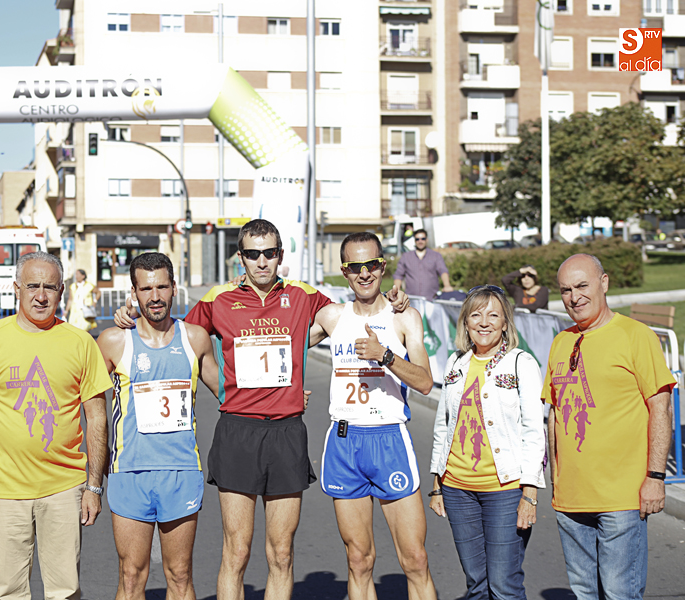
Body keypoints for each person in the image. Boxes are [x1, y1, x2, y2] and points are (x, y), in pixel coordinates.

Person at [115, 219, 340, 600]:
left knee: (282, 553)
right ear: (241, 258)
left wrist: (393, 307)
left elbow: (349, 321)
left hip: (286, 432)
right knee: (236, 551)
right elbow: (173, 338)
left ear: (280, 255)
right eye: (253, 254)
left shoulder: (303, 295)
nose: (262, 262)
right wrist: (129, 317)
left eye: (269, 253)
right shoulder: (219, 299)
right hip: (238, 431)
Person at [0, 251, 112, 600]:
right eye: (32, 286)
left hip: (65, 489)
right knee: (8, 591)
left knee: (65, 591)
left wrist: (94, 487)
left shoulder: (80, 343)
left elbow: (97, 417)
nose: (41, 296)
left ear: (62, 291)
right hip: (4, 491)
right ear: (16, 288)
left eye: (50, 287)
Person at [308, 232, 437, 600]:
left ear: (383, 266)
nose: (364, 274)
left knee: (415, 559)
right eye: (355, 267)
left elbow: (426, 382)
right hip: (346, 441)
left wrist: (385, 356)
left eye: (372, 265)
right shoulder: (333, 317)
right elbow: (283, 340)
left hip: (389, 439)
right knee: (359, 559)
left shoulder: (404, 317)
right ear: (344, 272)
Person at [542, 254, 675, 600]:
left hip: (622, 497)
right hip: (570, 498)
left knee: (620, 593)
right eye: (566, 290)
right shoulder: (561, 342)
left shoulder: (636, 336)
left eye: (582, 286)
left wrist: (655, 478)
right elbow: (554, 416)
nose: (574, 297)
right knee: (585, 593)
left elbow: (661, 408)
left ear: (604, 283)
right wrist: (555, 480)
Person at [97, 252, 222, 600]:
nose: (155, 296)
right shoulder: (113, 341)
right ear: (134, 293)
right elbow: (82, 400)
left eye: (162, 287)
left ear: (174, 289)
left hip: (181, 471)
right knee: (131, 575)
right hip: (129, 472)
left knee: (180, 575)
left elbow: (229, 393)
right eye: (146, 288)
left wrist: (288, 393)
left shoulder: (195, 338)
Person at [428, 285, 545, 600]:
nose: (484, 322)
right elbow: (444, 423)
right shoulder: (456, 362)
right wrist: (437, 484)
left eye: (493, 315)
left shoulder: (521, 363)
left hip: (504, 491)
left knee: (504, 586)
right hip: (457, 489)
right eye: (475, 315)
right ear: (465, 322)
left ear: (506, 322)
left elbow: (536, 430)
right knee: (476, 585)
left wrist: (530, 494)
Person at [393, 228, 453, 299]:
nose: (420, 241)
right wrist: (397, 292)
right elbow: (398, 275)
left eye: (423, 238)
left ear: (426, 239)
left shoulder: (436, 256)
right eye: (417, 239)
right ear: (414, 241)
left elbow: (443, 271)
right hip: (411, 299)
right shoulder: (406, 257)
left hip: (431, 299)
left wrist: (447, 285)